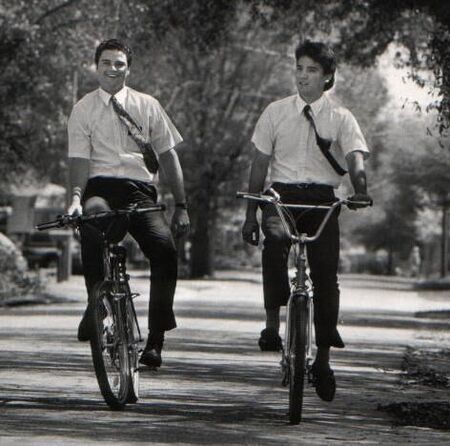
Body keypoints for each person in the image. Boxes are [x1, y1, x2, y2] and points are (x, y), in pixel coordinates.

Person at [241, 40, 372, 402]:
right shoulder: (275, 112)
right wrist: (250, 213)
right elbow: (258, 163)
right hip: (281, 195)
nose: (303, 76)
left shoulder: (341, 117)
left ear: (328, 77)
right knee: (275, 242)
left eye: (312, 70)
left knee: (326, 273)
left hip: (321, 199)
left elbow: (356, 158)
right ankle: (272, 325)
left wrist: (360, 188)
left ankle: (324, 360)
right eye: (299, 68)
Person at [67, 39, 190, 369]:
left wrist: (181, 205)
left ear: (128, 68)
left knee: (164, 249)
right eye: (106, 62)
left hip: (139, 191)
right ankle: (96, 305)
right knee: (92, 223)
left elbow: (167, 155)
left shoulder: (147, 105)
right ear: (97, 66)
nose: (112, 68)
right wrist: (76, 200)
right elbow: (78, 160)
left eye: (119, 63)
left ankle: (156, 339)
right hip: (100, 189)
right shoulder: (83, 109)